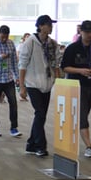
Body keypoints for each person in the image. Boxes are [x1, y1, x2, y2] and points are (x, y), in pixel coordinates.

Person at [61, 19, 91, 157]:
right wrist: (80, 71)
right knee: (82, 116)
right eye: (86, 32)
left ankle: (79, 135)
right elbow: (65, 67)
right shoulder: (72, 48)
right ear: (80, 32)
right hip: (76, 86)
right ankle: (89, 146)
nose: (89, 34)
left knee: (84, 114)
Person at [17, 14, 58, 157]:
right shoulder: (30, 42)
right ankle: (41, 146)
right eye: (48, 24)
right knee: (40, 113)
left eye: (51, 24)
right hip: (32, 83)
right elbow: (22, 64)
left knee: (41, 115)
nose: (51, 27)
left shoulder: (52, 44)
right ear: (40, 26)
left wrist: (56, 80)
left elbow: (55, 63)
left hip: (47, 84)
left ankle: (31, 144)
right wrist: (22, 86)